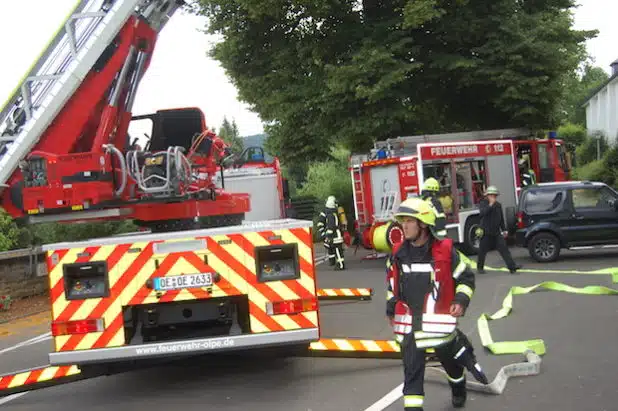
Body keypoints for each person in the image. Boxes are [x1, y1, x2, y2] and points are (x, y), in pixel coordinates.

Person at [386, 197, 487, 410]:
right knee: (412, 378)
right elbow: (392, 284)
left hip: (439, 326)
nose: (403, 226)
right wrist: (390, 307)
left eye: (409, 221)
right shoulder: (398, 254)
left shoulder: (445, 252)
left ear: (423, 224)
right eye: (402, 221)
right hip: (410, 328)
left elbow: (466, 279)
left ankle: (458, 387)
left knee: (452, 366)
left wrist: (460, 300)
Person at [476, 186, 521, 274]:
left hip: (496, 233)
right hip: (485, 232)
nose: (494, 197)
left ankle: (512, 267)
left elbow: (500, 219)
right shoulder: (483, 203)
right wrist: (490, 205)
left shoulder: (498, 205)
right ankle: (480, 268)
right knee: (482, 251)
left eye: (495, 195)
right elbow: (482, 213)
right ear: (487, 196)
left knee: (504, 249)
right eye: (492, 195)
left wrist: (504, 230)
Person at [316, 195, 345, 270]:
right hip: (336, 235)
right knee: (333, 248)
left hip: (335, 236)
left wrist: (327, 235)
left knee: (337, 250)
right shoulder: (332, 213)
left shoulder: (330, 215)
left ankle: (341, 265)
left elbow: (331, 227)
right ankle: (334, 261)